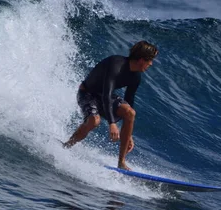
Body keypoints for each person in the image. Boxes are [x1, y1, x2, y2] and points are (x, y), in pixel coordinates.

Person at [63, 40, 158, 170]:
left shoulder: (136, 77)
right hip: (87, 93)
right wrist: (112, 124)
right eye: (150, 60)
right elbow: (107, 94)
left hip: (104, 96)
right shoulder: (116, 65)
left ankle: (121, 162)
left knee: (130, 112)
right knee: (93, 121)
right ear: (142, 60)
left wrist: (129, 134)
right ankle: (67, 146)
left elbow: (129, 100)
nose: (151, 64)